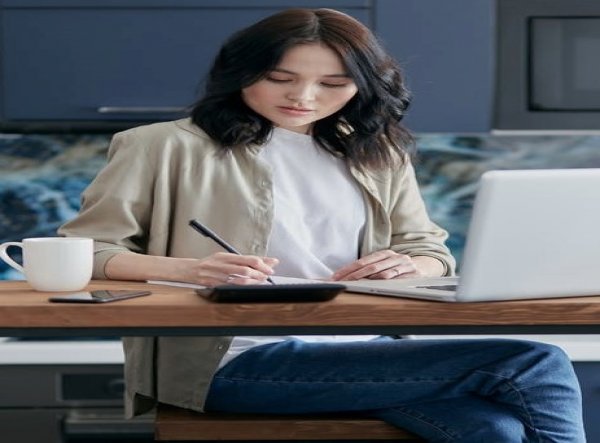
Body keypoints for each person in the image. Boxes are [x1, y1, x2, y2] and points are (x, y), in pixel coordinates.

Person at [59, 8, 585, 442]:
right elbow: (85, 251)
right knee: (532, 362)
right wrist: (193, 269)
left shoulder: (377, 151)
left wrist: (410, 262)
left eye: (333, 83)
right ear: (240, 72)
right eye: (280, 78)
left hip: (369, 351)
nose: (303, 97)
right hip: (234, 360)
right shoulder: (162, 145)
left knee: (493, 430)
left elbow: (431, 249)